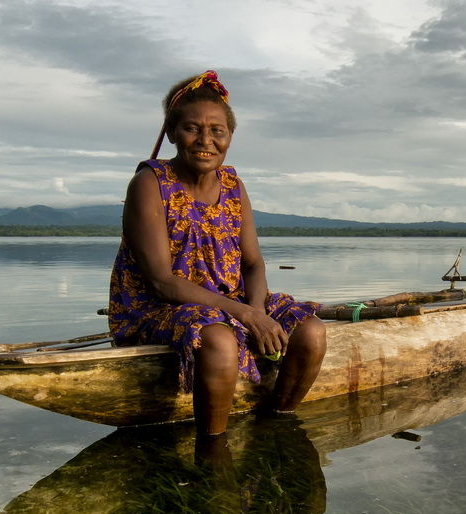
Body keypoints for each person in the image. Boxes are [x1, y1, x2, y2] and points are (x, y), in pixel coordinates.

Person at [108, 71, 326, 436]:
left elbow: (253, 264)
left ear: (230, 136)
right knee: (220, 339)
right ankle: (213, 451)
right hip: (158, 309)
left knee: (312, 332)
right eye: (192, 129)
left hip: (232, 301)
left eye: (217, 131)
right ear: (174, 132)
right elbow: (162, 281)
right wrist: (245, 316)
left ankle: (275, 425)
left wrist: (255, 313)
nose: (205, 141)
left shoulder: (232, 185)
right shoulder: (149, 184)